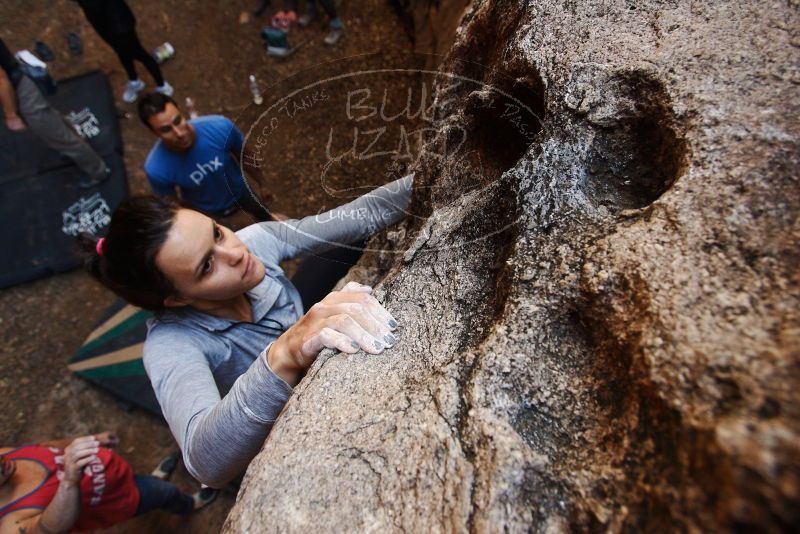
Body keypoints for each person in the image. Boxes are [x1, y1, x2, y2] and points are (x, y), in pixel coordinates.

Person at [81, 173, 414, 488]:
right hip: (270, 422)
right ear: (177, 298)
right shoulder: (169, 346)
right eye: (207, 266)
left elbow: (363, 214)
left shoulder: (251, 243)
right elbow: (204, 463)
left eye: (216, 232)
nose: (236, 253)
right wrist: (284, 354)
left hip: (293, 334)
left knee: (342, 246)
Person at [0, 432, 215, 533]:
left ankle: (151, 479)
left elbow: (45, 446)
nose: (1, 462)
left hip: (117, 473)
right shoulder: (9, 524)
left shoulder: (4, 457)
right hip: (121, 499)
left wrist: (93, 439)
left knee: (145, 481)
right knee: (165, 493)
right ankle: (190, 504)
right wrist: (69, 480)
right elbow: (46, 529)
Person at [138, 92, 278, 222]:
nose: (179, 133)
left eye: (178, 121)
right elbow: (172, 206)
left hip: (241, 190)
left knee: (263, 215)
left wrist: (262, 183)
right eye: (166, 129)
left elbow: (245, 156)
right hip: (205, 211)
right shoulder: (156, 169)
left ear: (181, 111)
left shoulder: (220, 127)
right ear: (153, 132)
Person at [0, 38, 110, 189]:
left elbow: (1, 80)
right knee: (53, 123)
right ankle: (78, 144)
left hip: (20, 90)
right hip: (19, 84)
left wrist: (11, 115)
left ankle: (98, 171)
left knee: (56, 134)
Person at [74, 0, 173, 103]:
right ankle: (134, 81)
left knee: (140, 54)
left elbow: (95, 3)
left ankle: (163, 86)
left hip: (120, 23)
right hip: (103, 24)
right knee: (122, 53)